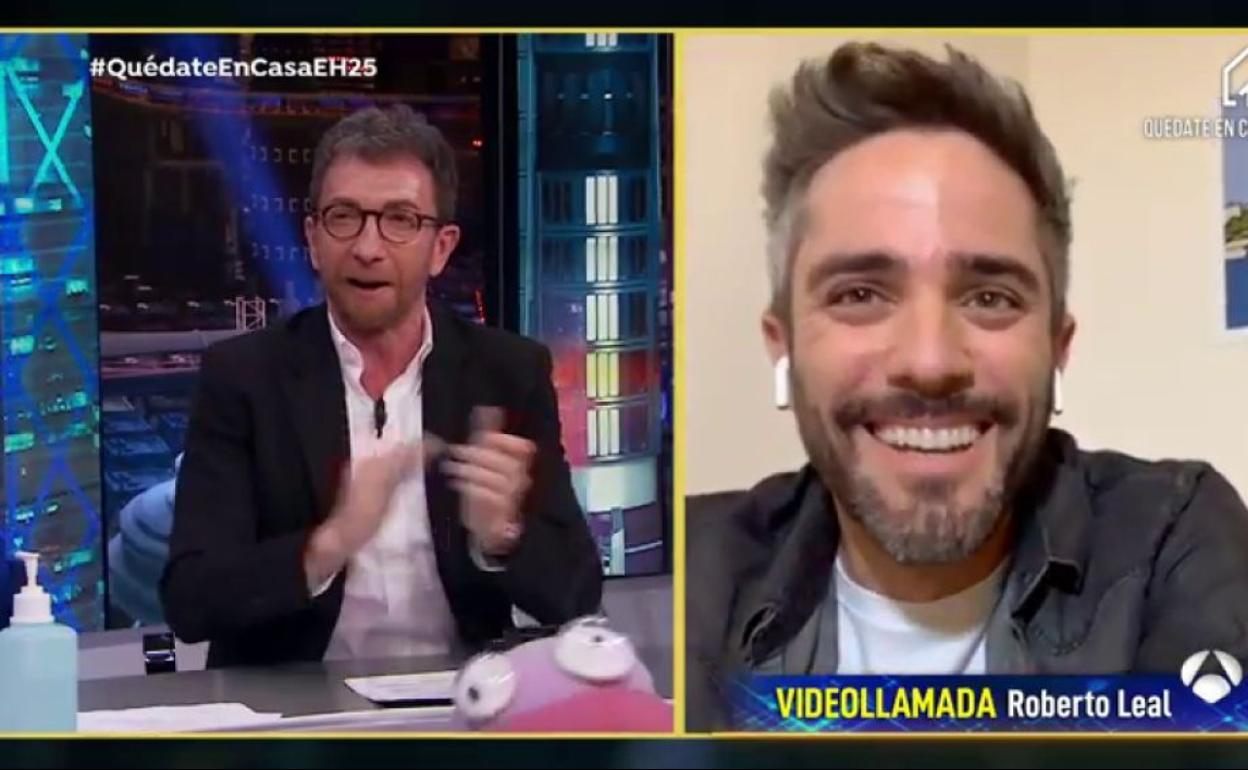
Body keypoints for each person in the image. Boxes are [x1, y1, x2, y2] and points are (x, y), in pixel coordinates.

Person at [686, 42, 1248, 730]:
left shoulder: (1171, 538)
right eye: (860, 294)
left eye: (990, 298)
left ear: (1057, 346)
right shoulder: (699, 569)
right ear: (785, 344)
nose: (930, 362)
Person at [161, 105, 602, 667]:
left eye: (400, 219)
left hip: (462, 700)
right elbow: (192, 600)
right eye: (344, 217)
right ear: (313, 239)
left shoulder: (507, 372)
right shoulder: (244, 377)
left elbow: (576, 594)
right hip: (291, 705)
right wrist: (331, 543)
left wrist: (504, 535)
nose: (368, 247)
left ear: (441, 247)